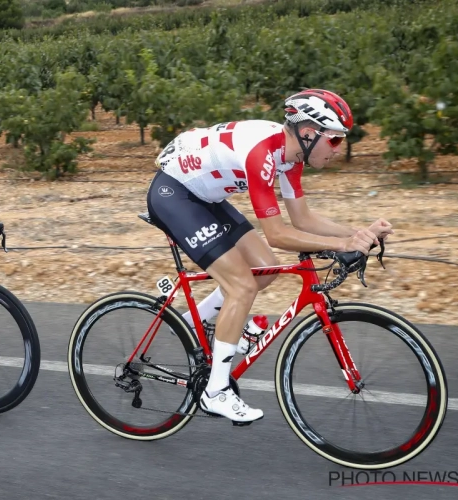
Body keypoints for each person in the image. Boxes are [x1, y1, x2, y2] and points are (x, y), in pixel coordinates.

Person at [146, 89, 394, 424]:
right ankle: (215, 392)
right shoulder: (263, 152)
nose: (338, 149)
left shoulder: (290, 157)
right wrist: (342, 244)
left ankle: (200, 322)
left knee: (265, 269)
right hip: (174, 194)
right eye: (334, 140)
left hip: (206, 197)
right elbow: (277, 235)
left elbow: (303, 220)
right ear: (308, 134)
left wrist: (358, 234)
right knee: (242, 287)